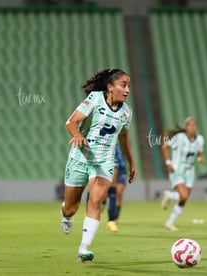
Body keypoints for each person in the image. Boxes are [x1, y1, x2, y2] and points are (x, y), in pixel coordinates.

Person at [60, 68, 137, 263]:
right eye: (123, 85)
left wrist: (131, 162)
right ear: (110, 87)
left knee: (95, 202)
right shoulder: (94, 99)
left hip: (104, 163)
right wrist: (77, 134)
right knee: (71, 208)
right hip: (80, 159)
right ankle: (65, 214)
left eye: (128, 85)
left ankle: (83, 249)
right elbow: (71, 122)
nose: (127, 89)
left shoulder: (126, 112)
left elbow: (124, 138)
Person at [161, 117, 205, 231]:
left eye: (194, 125)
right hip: (177, 170)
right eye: (190, 125)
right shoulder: (179, 138)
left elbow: (199, 153)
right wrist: (168, 162)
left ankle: (170, 223)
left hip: (190, 172)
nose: (192, 127)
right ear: (185, 128)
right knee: (184, 195)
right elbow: (165, 148)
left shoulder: (200, 139)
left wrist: (200, 159)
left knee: (184, 199)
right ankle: (170, 196)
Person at [106, 142, 128, 233]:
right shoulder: (109, 136)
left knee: (119, 192)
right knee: (111, 189)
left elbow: (127, 150)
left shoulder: (122, 138)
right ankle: (111, 217)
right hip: (111, 165)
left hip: (122, 168)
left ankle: (115, 217)